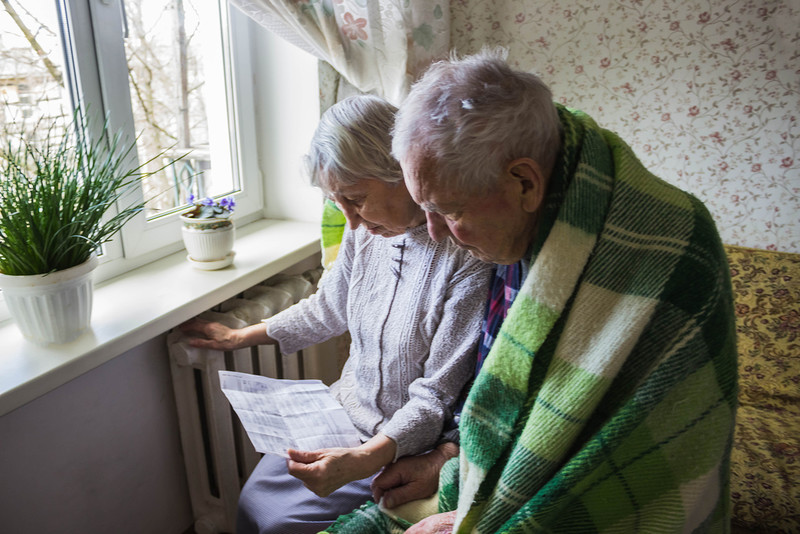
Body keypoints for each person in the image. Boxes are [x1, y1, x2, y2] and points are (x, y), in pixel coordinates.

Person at [323, 49, 737, 534]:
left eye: (449, 211)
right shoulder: (516, 227)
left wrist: (468, 521)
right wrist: (447, 458)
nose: (433, 233)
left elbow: (633, 459)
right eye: (424, 209)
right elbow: (499, 391)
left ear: (525, 182)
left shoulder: (670, 248)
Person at [181, 94, 493, 534]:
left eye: (357, 198)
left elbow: (435, 397)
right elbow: (328, 307)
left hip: (403, 445)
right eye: (337, 202)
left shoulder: (466, 255)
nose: (349, 220)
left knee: (281, 525)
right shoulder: (366, 234)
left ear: (403, 173)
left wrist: (365, 458)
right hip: (341, 414)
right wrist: (239, 337)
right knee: (254, 500)